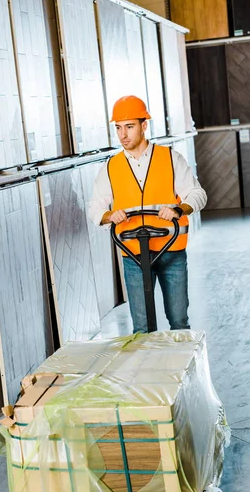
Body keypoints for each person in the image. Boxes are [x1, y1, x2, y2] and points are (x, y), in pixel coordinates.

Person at [89, 95, 207, 333]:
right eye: (118, 128)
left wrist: (177, 209)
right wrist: (109, 215)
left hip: (170, 251)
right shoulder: (111, 167)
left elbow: (197, 194)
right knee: (141, 328)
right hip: (133, 254)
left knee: (179, 322)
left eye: (129, 127)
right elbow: (95, 207)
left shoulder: (170, 158)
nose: (123, 135)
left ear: (144, 126)